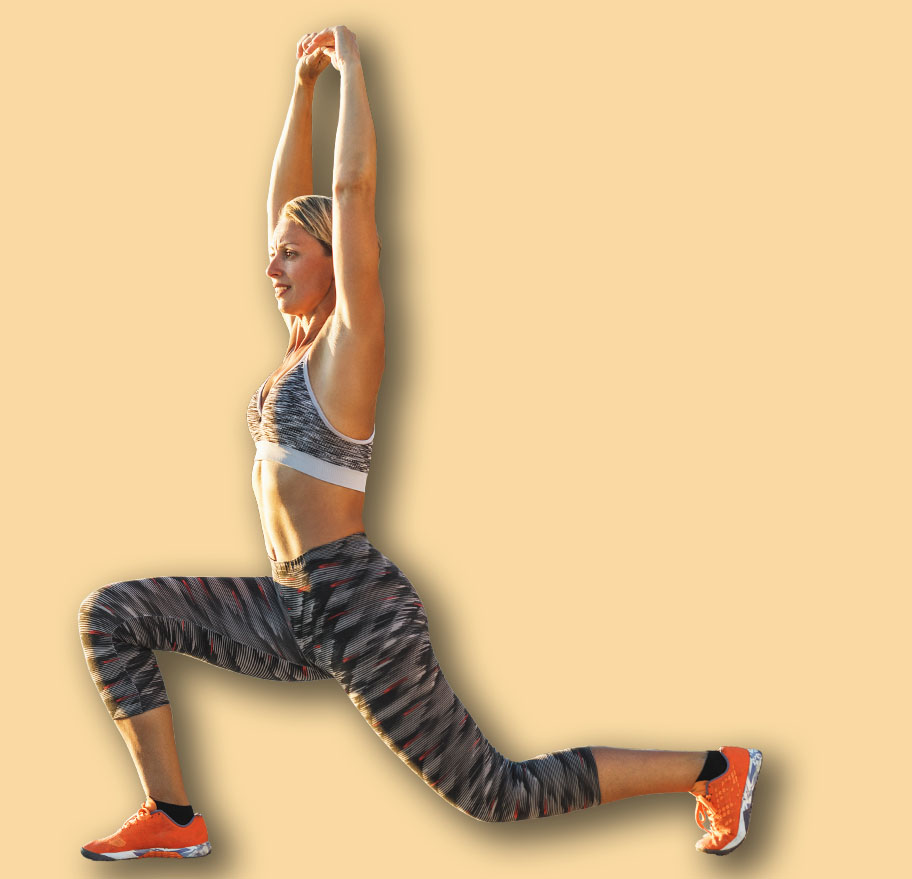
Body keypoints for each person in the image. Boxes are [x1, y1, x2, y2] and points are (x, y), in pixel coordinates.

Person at [77, 26, 762, 862]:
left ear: (337, 262)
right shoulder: (295, 344)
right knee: (113, 614)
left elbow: (351, 191)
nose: (273, 267)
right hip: (290, 607)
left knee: (500, 794)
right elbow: (289, 209)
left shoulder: (348, 348)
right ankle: (175, 816)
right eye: (274, 255)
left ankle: (716, 768)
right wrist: (300, 91)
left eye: (291, 255)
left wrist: (354, 70)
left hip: (359, 607)